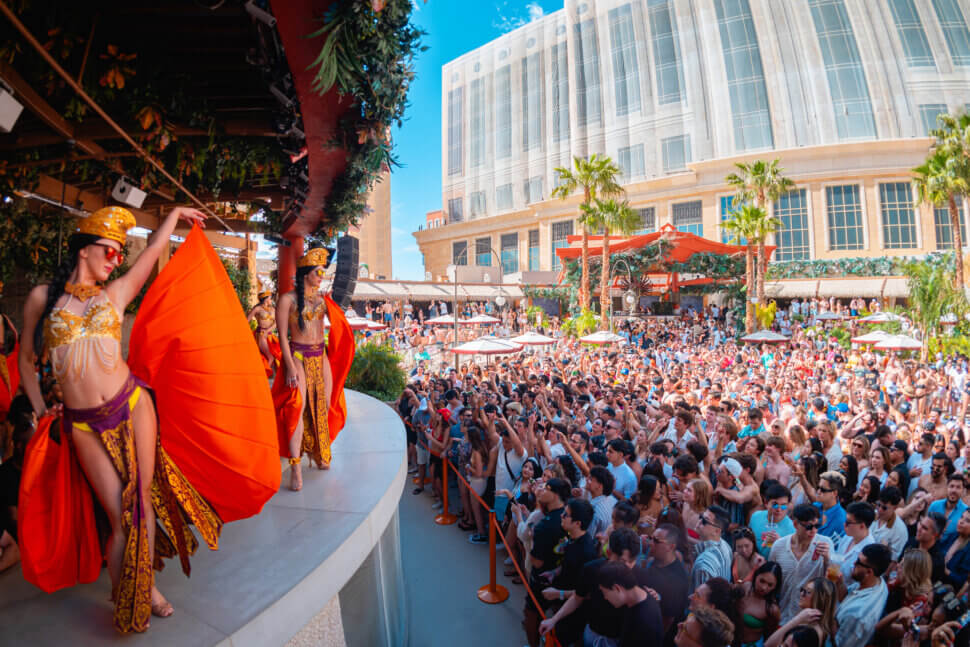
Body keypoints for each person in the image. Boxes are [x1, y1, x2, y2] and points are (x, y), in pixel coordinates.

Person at [17, 207, 280, 633]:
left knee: (139, 505)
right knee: (120, 514)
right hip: (83, 424)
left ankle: (144, 590)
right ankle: (128, 592)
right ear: (85, 250)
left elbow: (155, 249)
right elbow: (27, 361)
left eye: (120, 253)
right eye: (110, 251)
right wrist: (40, 406)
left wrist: (175, 214)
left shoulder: (116, 292)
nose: (116, 259)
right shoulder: (42, 299)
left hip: (133, 405)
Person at [273, 247, 355, 490]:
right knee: (297, 409)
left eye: (322, 272)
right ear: (306, 272)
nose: (321, 276)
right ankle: (295, 467)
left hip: (322, 357)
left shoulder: (321, 300)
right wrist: (288, 366)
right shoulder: (286, 300)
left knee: (323, 406)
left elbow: (338, 324)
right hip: (298, 356)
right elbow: (281, 337)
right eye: (318, 272)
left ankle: (319, 452)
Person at [769, 504, 834, 623]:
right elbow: (771, 579)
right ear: (795, 524)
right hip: (781, 615)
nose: (813, 531)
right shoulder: (779, 546)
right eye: (809, 527)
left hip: (809, 620)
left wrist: (827, 559)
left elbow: (830, 583)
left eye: (817, 526)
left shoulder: (826, 544)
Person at [834, 543, 891, 647]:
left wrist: (827, 619)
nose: (854, 563)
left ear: (869, 572)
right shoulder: (879, 582)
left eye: (859, 562)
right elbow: (847, 598)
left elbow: (838, 644)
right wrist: (839, 583)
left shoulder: (856, 614)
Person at [597, 560, 664, 646]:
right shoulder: (641, 597)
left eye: (604, 592)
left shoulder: (644, 622)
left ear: (617, 588)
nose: (605, 597)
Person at [735, 561, 783, 647]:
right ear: (756, 575)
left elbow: (771, 635)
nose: (764, 588)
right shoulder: (745, 588)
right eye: (762, 581)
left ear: (775, 587)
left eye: (770, 585)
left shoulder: (772, 609)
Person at [831, 501, 876, 584]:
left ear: (862, 526)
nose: (844, 525)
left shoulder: (868, 551)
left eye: (848, 522)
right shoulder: (848, 536)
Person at [691, 505, 733, 592]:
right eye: (700, 517)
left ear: (717, 531)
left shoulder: (703, 565)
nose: (699, 522)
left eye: (704, 521)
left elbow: (700, 601)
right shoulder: (726, 546)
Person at [750, 483, 795, 557]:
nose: (779, 509)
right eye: (775, 504)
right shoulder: (755, 517)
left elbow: (792, 557)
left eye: (783, 505)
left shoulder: (792, 529)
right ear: (766, 503)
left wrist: (780, 543)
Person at [927, 472, 968, 544]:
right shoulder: (934, 505)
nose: (954, 490)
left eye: (958, 487)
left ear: (963, 490)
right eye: (951, 486)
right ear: (947, 488)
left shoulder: (966, 513)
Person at [870, 485, 909, 558]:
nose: (879, 510)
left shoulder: (900, 530)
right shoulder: (872, 515)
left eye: (884, 508)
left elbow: (894, 560)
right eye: (878, 505)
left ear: (895, 507)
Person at [248, 289, 280, 374]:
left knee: (275, 355)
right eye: (270, 298)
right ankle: (263, 376)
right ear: (265, 299)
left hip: (269, 335)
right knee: (270, 357)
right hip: (261, 335)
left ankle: (265, 375)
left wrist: (268, 331)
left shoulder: (273, 309)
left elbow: (276, 323)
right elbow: (247, 320)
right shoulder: (257, 309)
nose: (271, 300)